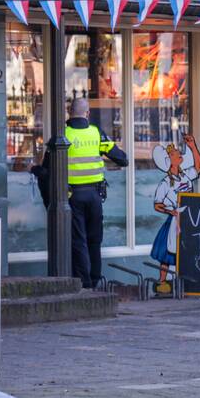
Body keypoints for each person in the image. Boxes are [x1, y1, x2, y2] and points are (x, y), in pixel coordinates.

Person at [64, 97, 128, 289]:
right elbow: (121, 159)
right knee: (94, 239)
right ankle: (95, 278)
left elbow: (48, 166)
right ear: (88, 113)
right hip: (94, 196)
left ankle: (83, 282)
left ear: (69, 112)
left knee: (79, 239)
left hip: (73, 195)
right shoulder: (95, 133)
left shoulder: (64, 134)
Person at [150, 135, 200, 294]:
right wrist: (171, 211)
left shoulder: (185, 175)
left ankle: (188, 281)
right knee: (166, 253)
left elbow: (199, 167)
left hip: (189, 219)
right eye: (174, 153)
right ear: (169, 161)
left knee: (187, 250)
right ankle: (162, 283)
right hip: (175, 220)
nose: (179, 153)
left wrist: (193, 146)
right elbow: (157, 204)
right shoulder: (165, 183)